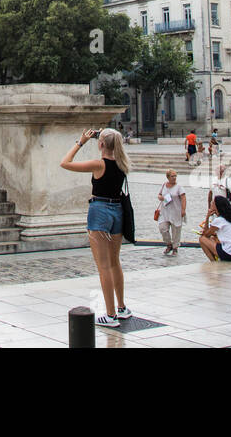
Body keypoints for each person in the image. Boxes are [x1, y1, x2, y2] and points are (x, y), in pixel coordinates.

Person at [60, 127, 131, 328]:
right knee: (115, 262)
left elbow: (65, 163)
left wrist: (81, 141)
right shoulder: (121, 163)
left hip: (100, 211)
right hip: (117, 211)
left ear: (101, 145)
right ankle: (122, 308)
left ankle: (110, 315)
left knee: (104, 266)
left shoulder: (99, 164)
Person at [199, 195, 231, 262]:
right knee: (214, 238)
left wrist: (207, 217)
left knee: (202, 239)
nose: (210, 204)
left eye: (212, 203)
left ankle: (213, 262)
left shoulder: (219, 220)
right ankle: (218, 259)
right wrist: (214, 235)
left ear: (217, 206)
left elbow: (206, 234)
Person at [156, 169, 186, 255]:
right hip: (165, 211)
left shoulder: (179, 187)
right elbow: (159, 194)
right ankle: (169, 244)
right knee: (163, 228)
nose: (174, 178)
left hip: (176, 211)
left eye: (175, 176)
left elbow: (183, 198)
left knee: (176, 230)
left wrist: (183, 210)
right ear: (168, 177)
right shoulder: (164, 185)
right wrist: (160, 197)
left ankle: (175, 247)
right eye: (172, 176)